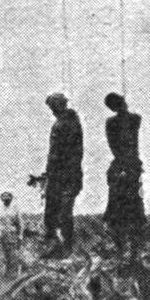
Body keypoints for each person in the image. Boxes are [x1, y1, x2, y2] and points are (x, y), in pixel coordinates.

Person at [102, 93, 145, 263]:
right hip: (125, 168)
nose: (123, 104)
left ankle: (132, 252)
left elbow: (133, 120)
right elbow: (115, 146)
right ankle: (124, 251)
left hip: (129, 170)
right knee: (118, 214)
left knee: (134, 213)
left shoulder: (133, 119)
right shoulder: (115, 122)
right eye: (119, 103)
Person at [42, 93, 83, 256]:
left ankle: (64, 247)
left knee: (61, 213)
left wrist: (50, 173)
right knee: (56, 212)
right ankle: (58, 247)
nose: (52, 111)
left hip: (65, 176)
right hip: (64, 175)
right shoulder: (71, 123)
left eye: (53, 107)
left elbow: (57, 154)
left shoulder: (64, 125)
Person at [0, 190, 23, 266]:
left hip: (11, 236)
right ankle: (1, 274)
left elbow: (20, 224)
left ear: (11, 199)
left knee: (11, 256)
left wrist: (20, 236)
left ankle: (11, 273)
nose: (6, 200)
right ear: (2, 199)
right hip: (0, 235)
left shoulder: (15, 209)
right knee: (1, 256)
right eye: (4, 198)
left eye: (8, 198)